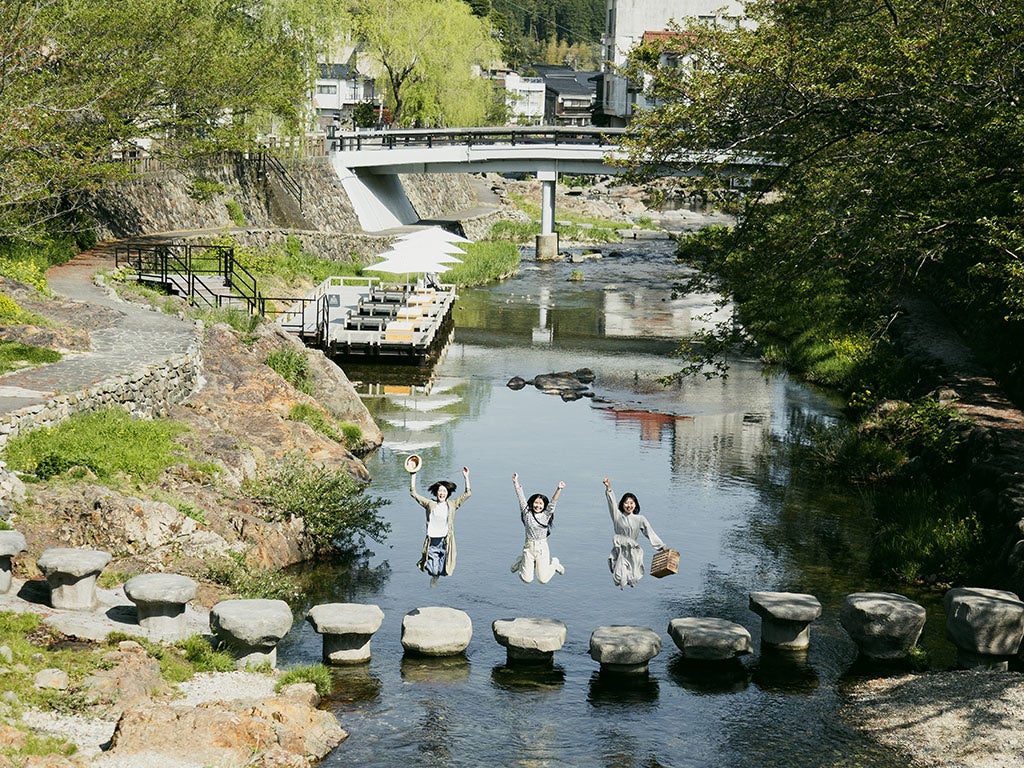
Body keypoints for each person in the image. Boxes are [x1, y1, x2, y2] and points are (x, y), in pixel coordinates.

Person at [410, 466, 471, 586]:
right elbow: (413, 493)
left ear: (447, 493)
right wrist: (413, 475)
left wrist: (466, 477)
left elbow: (467, 494)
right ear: (436, 492)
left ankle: (437, 575)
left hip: (445, 540)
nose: (442, 493)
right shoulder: (430, 504)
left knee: (445, 569)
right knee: (433, 569)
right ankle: (434, 574)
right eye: (440, 491)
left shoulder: (452, 504)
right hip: (432, 540)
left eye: (444, 491)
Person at [603, 476, 666, 588]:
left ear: (635, 505)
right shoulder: (617, 516)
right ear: (622, 504)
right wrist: (609, 489)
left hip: (633, 550)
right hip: (621, 549)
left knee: (635, 576)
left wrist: (662, 546)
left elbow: (650, 532)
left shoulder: (640, 519)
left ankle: (630, 581)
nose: (629, 505)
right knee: (618, 576)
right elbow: (611, 504)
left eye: (631, 503)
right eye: (626, 503)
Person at [510, 473, 566, 584]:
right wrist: (516, 482)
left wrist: (559, 489)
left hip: (542, 549)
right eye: (536, 503)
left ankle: (554, 565)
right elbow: (521, 499)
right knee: (527, 579)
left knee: (543, 580)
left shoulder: (546, 515)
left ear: (544, 506)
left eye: (541, 504)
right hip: (529, 548)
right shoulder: (527, 514)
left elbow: (553, 503)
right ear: (532, 503)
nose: (538, 505)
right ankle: (521, 561)